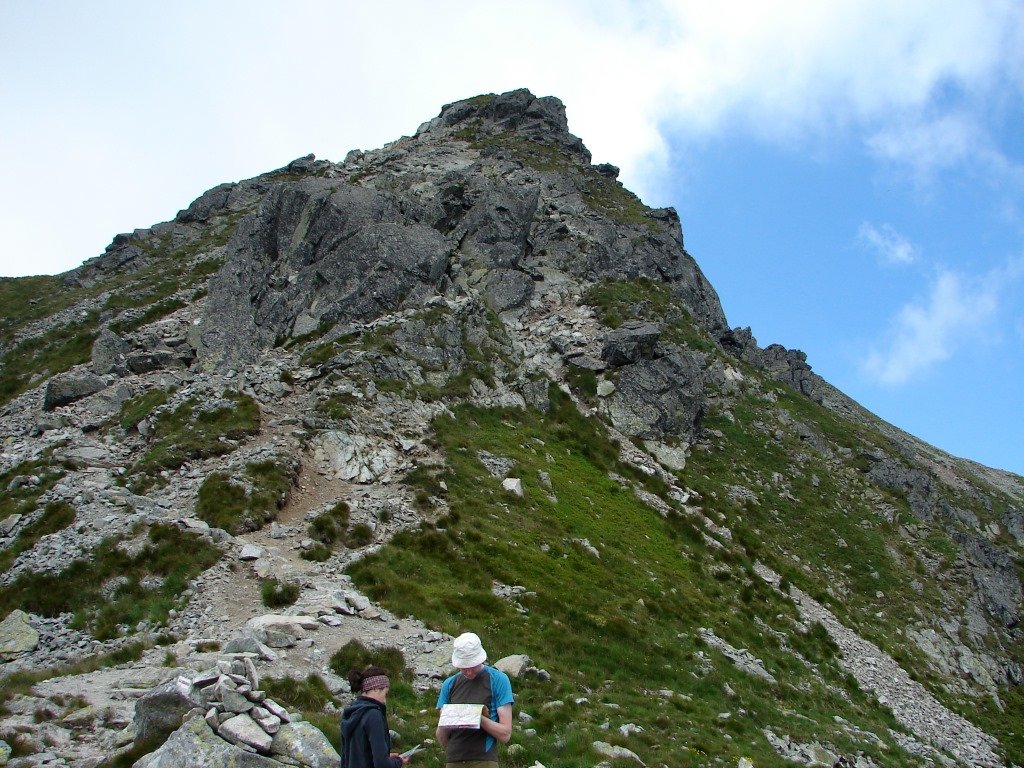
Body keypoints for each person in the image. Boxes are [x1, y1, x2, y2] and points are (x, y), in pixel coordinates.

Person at [435, 632, 514, 768]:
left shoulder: (499, 679)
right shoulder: (449, 684)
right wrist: (447, 718)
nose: (469, 672)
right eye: (464, 668)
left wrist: (475, 717)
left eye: (473, 666)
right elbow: (442, 740)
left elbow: (505, 734)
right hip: (453, 760)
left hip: (484, 760)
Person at [340, 666, 410, 768]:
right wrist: (398, 761)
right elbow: (382, 765)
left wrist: (387, 757)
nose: (385, 700)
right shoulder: (373, 715)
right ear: (376, 688)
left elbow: (356, 755)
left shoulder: (351, 712)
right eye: (385, 694)